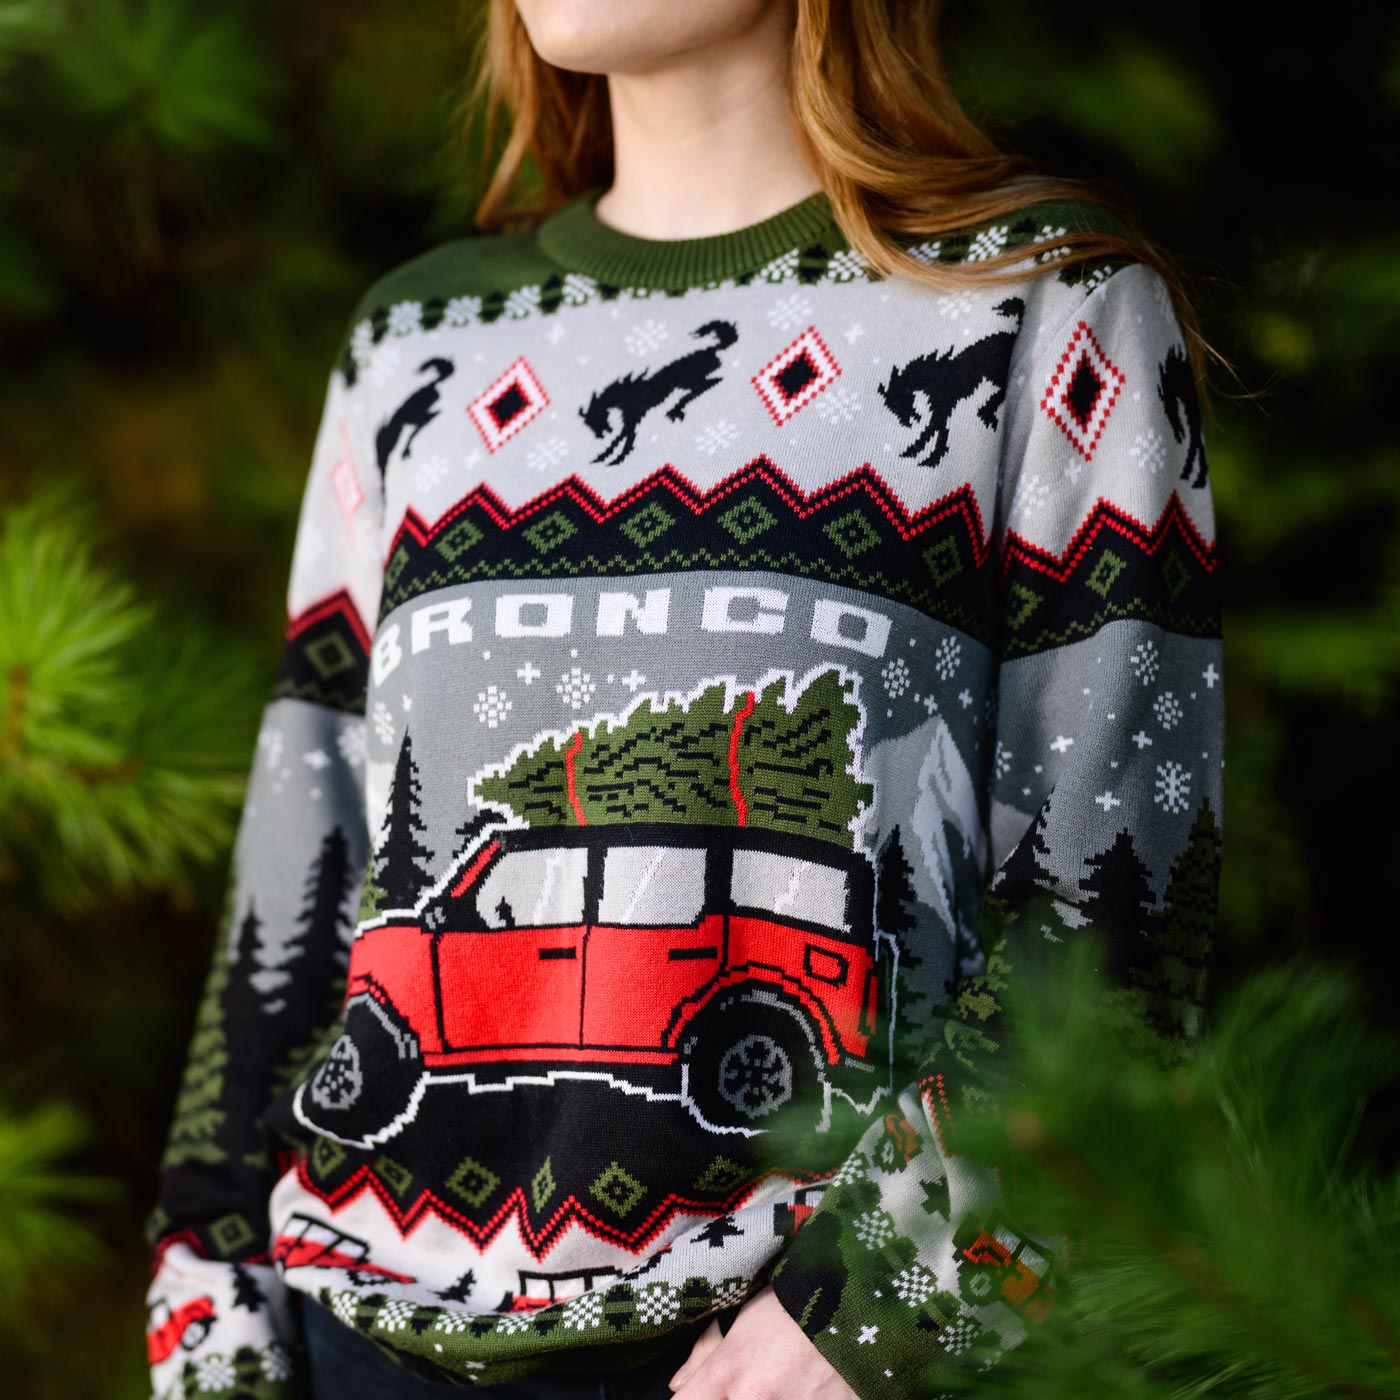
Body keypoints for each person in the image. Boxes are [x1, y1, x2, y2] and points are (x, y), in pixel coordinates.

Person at [141, 1, 1226, 1397]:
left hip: (781, 1358)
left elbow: (1122, 919)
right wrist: (209, 1332)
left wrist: (874, 1322)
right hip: (352, 1342)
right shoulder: (416, 351)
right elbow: (293, 909)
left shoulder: (1045, 302)